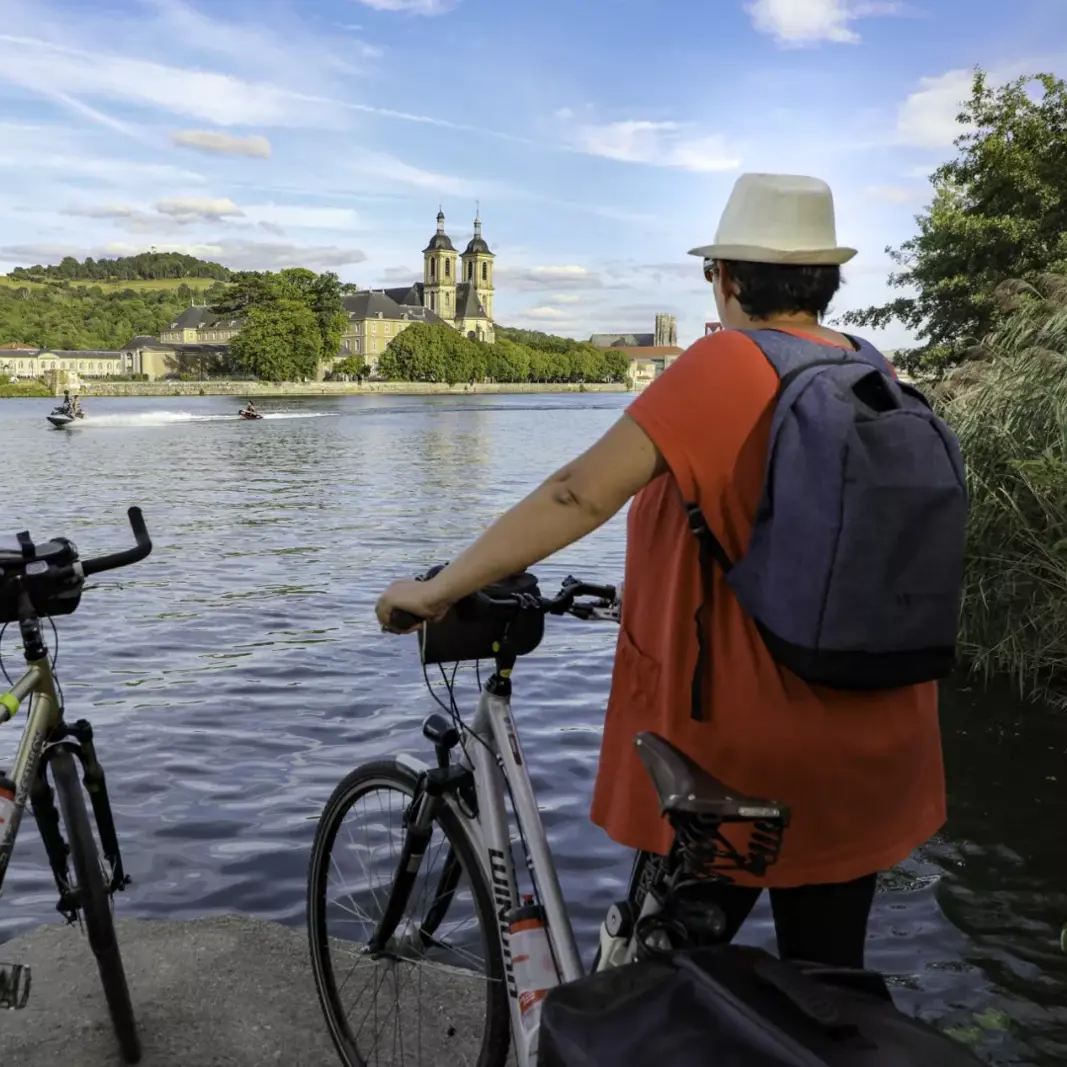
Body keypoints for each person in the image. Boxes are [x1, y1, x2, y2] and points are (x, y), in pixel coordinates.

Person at [375, 173, 946, 969]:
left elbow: (575, 493)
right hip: (870, 733)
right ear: (825, 279)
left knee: (657, 982)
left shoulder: (728, 366)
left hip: (741, 756)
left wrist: (438, 589)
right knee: (826, 988)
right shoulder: (870, 370)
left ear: (727, 277)